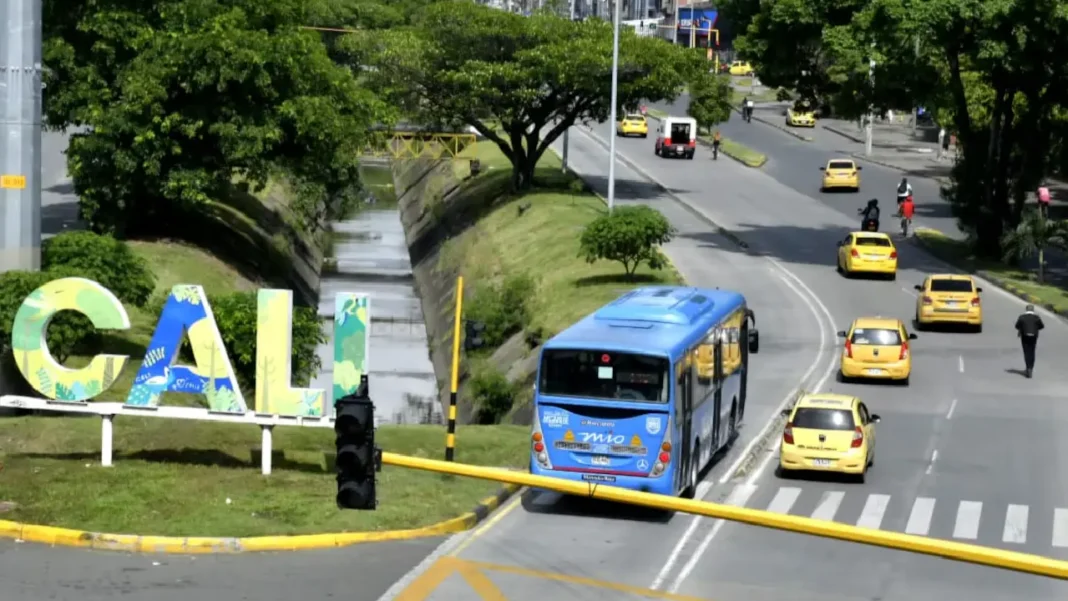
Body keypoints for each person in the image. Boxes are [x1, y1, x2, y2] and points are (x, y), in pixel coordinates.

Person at [1014, 304, 1045, 378]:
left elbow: (1017, 326)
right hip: (1033, 336)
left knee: (1026, 352)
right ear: (1033, 310)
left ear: (1026, 310)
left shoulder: (1022, 317)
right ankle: (1031, 368)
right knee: (1032, 351)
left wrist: (1022, 328)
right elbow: (1042, 326)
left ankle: (1028, 367)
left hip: (1025, 336)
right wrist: (1035, 328)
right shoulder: (1037, 317)